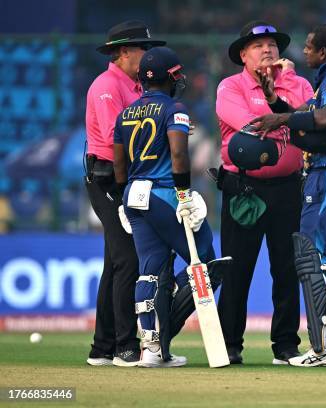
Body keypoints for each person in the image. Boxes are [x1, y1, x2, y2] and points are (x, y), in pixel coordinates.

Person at [251, 24, 326, 367]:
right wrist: (276, 105)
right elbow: (313, 127)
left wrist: (282, 118)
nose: (304, 52)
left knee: (315, 256)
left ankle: (325, 346)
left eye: (309, 46)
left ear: (323, 52)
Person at [215, 21, 313, 365]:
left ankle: (286, 345)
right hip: (244, 188)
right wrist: (286, 119)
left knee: (287, 269)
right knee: (236, 269)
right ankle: (229, 344)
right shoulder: (230, 86)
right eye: (258, 46)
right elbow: (249, 126)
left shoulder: (298, 84)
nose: (267, 49)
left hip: (288, 188)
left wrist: (281, 95)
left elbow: (313, 120)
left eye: (272, 44)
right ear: (243, 54)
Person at [113, 46, 215, 367]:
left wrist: (123, 197)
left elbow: (118, 165)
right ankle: (167, 321)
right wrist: (184, 194)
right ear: (171, 77)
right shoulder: (176, 109)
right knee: (207, 262)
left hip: (133, 195)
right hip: (164, 194)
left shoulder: (124, 113)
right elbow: (180, 156)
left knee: (150, 270)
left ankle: (152, 350)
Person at [84, 20, 165, 367]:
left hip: (125, 178)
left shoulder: (134, 86)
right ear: (123, 53)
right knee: (128, 260)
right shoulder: (106, 86)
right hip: (107, 179)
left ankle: (101, 348)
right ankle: (124, 346)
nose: (148, 56)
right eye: (143, 49)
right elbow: (117, 135)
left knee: (114, 263)